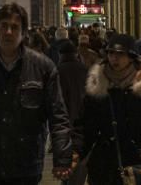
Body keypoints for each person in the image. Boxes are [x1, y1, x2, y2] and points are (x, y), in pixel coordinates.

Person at [0, 3, 75, 184]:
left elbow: (58, 116)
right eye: (4, 26)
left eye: (15, 27)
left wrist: (62, 159)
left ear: (24, 32)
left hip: (26, 166)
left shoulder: (42, 67)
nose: (9, 32)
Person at [81, 33, 141, 185]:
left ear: (131, 57)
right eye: (111, 53)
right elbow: (85, 125)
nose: (114, 58)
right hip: (104, 168)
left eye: (120, 54)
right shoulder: (98, 86)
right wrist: (75, 153)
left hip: (138, 168)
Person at [56, 40, 89, 185]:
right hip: (83, 121)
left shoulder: (57, 71)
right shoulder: (85, 69)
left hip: (63, 121)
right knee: (80, 158)